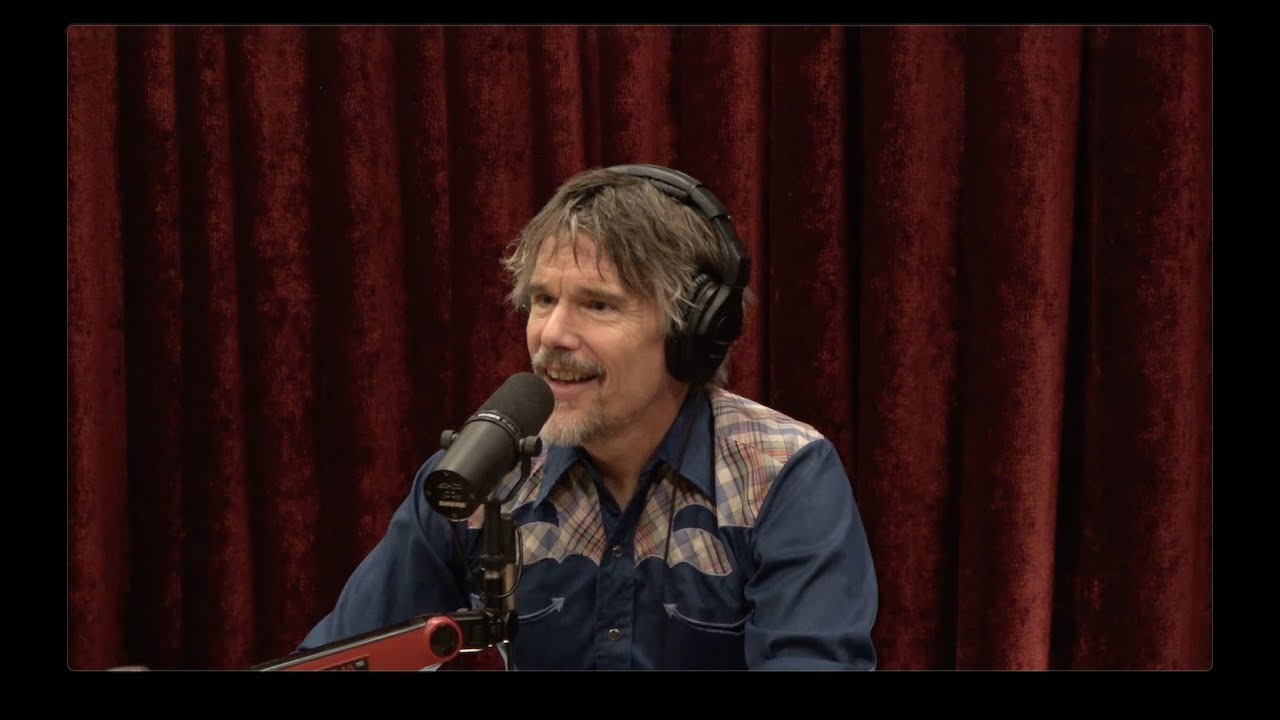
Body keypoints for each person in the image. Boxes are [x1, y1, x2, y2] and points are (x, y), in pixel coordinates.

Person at [298, 164, 878, 670]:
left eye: (598, 304)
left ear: (692, 334)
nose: (551, 334)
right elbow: (341, 659)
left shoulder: (781, 475)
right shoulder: (480, 475)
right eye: (544, 300)